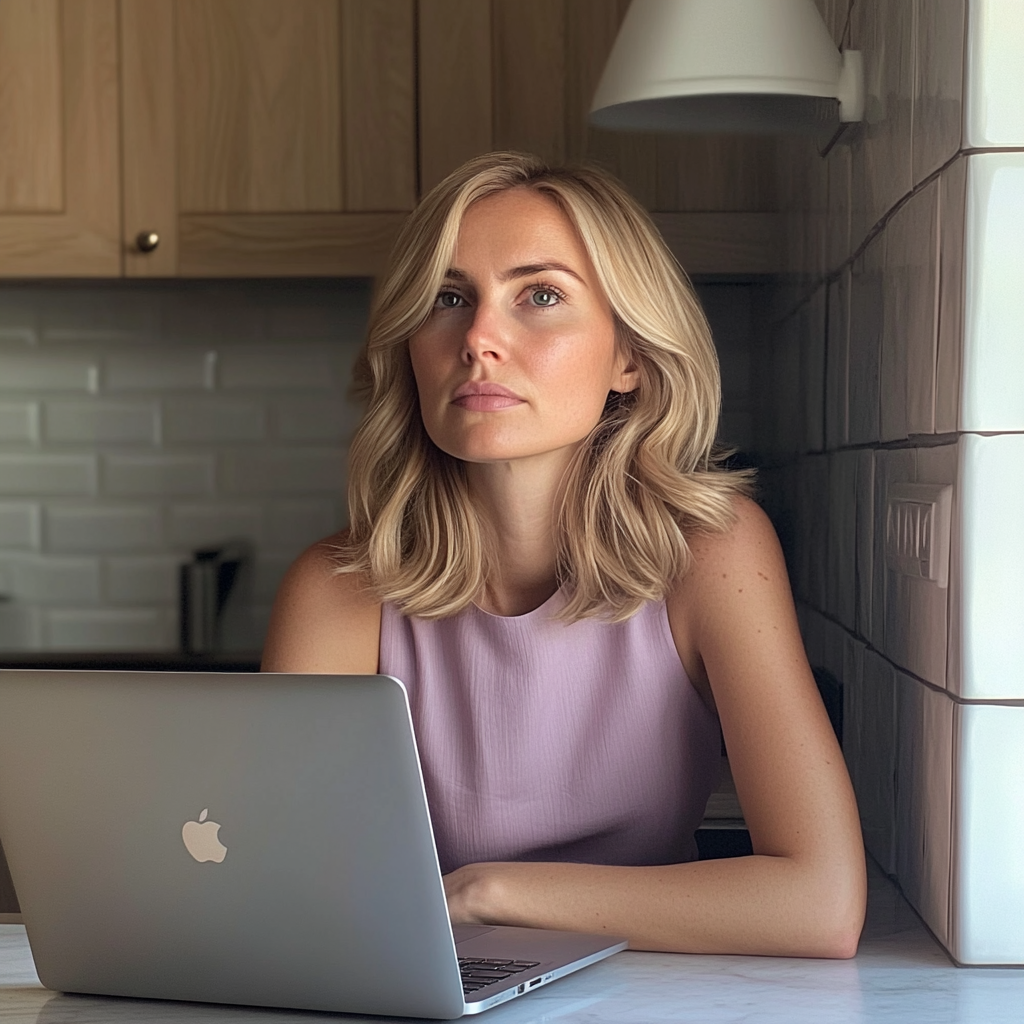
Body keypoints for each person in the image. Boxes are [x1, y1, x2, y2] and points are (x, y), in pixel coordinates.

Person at [261, 152, 866, 958]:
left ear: (630, 358)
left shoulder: (713, 553)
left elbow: (819, 903)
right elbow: (281, 889)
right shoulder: (338, 589)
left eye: (539, 296)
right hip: (421, 996)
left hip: (654, 997)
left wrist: (491, 891)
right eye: (448, 298)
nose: (478, 338)